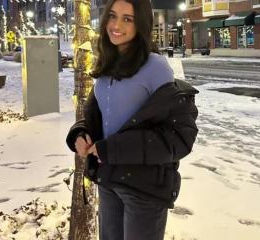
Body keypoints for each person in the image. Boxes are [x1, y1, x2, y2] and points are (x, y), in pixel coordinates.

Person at [66, 0, 199, 239]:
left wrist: (112, 149)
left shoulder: (155, 67)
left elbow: (178, 136)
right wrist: (81, 134)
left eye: (128, 19)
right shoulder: (107, 63)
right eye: (113, 16)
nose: (116, 25)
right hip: (108, 180)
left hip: (144, 188)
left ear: (141, 24)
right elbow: (100, 118)